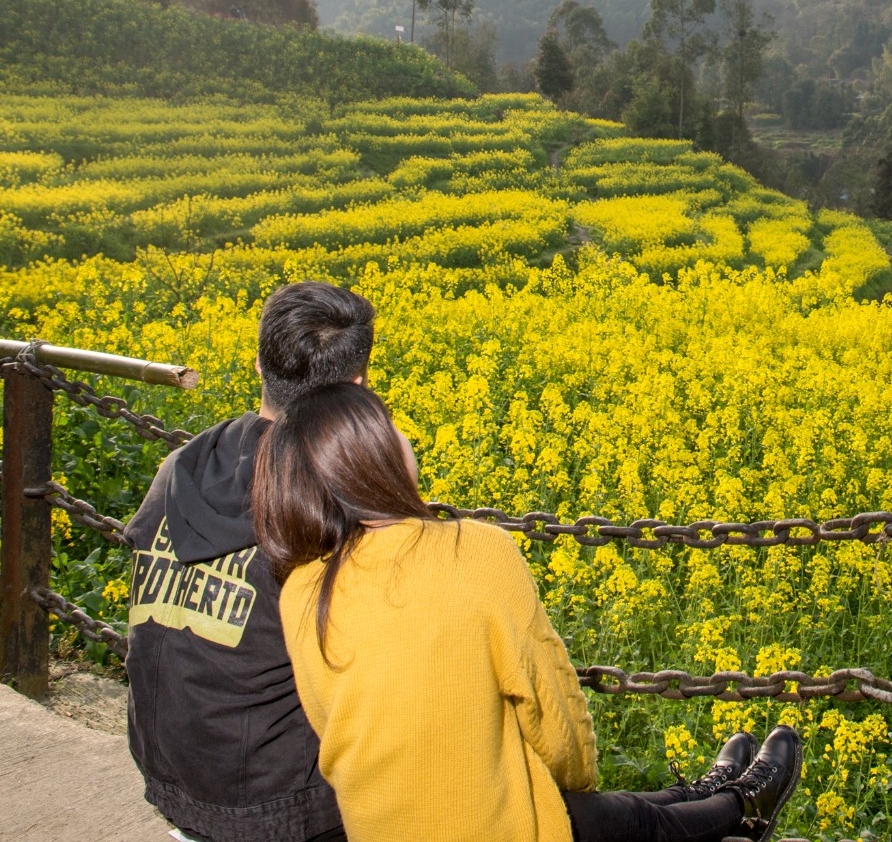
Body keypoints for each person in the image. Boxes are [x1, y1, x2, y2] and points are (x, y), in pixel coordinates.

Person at [251, 382, 803, 842]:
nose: (404, 434)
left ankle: (701, 794)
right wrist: (573, 782)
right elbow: (553, 716)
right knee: (625, 821)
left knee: (628, 812)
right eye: (390, 425)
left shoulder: (301, 590)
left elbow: (343, 724)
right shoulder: (474, 551)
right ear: (369, 456)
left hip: (380, 826)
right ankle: (743, 806)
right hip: (483, 828)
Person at [123, 281, 377, 842]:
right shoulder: (326, 492)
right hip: (279, 800)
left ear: (261, 365)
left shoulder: (183, 463)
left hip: (169, 769)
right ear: (357, 384)